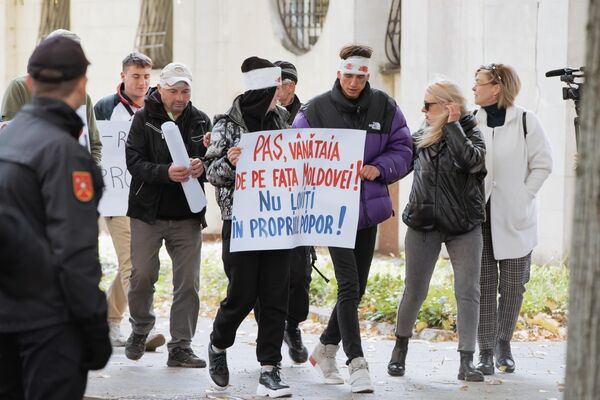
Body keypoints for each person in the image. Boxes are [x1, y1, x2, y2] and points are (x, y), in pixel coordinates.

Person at [293, 44, 413, 393]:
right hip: (332, 211)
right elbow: (293, 153)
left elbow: (404, 149)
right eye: (348, 75)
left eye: (360, 77)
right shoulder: (314, 110)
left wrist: (380, 168)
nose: (353, 82)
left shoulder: (385, 106)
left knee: (356, 288)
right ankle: (356, 362)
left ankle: (325, 350)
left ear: (367, 76)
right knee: (348, 285)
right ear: (338, 73)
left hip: (369, 209)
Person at [0, 36, 111, 399]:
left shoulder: (7, 139)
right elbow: (75, 254)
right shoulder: (64, 153)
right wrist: (95, 330)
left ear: (30, 84)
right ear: (82, 86)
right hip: (49, 326)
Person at [204, 56, 293, 398]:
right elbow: (211, 173)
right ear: (262, 90)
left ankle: (269, 370)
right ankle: (218, 343)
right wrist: (229, 161)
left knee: (274, 296)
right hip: (241, 223)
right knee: (241, 295)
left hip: (277, 221)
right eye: (277, 87)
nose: (282, 94)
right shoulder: (227, 125)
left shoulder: (283, 120)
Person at [389, 79, 486, 382]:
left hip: (463, 225)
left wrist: (454, 125)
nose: (423, 109)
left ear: (448, 106)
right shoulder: (420, 137)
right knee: (415, 290)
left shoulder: (473, 135)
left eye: (429, 104)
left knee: (468, 291)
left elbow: (470, 162)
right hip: (424, 223)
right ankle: (400, 348)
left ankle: (466, 360)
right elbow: (397, 165)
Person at [125, 62, 211, 368]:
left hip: (187, 215)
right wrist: (165, 172)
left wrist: (203, 167)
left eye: (185, 90)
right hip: (148, 212)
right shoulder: (142, 118)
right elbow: (134, 162)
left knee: (188, 283)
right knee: (142, 276)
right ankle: (140, 327)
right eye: (173, 90)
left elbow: (211, 161)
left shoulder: (201, 120)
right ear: (160, 89)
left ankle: (180, 346)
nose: (179, 97)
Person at [472, 64, 552, 375]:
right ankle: (486, 350)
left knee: (514, 285)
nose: (474, 88)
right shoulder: (471, 121)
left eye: (479, 83)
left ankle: (504, 342)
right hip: (480, 218)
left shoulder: (526, 122)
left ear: (497, 87)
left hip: (516, 217)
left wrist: (523, 196)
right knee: (485, 285)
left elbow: (543, 164)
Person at [94, 51, 165, 351]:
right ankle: (142, 328)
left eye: (147, 76)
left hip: (146, 199)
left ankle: (110, 318)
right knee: (131, 265)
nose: (142, 82)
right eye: (136, 76)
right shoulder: (104, 108)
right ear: (123, 76)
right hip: (116, 198)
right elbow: (95, 147)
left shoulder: (155, 108)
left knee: (141, 264)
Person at [252, 59, 314, 364]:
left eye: (287, 84)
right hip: (265, 206)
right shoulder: (255, 111)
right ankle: (268, 334)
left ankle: (293, 325)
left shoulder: (309, 114)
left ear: (294, 86)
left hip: (300, 208)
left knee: (300, 274)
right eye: (278, 83)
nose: (283, 89)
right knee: (266, 276)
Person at [1, 29, 102, 165]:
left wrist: (90, 174)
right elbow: (9, 137)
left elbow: (94, 144)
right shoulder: (19, 87)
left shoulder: (83, 96)